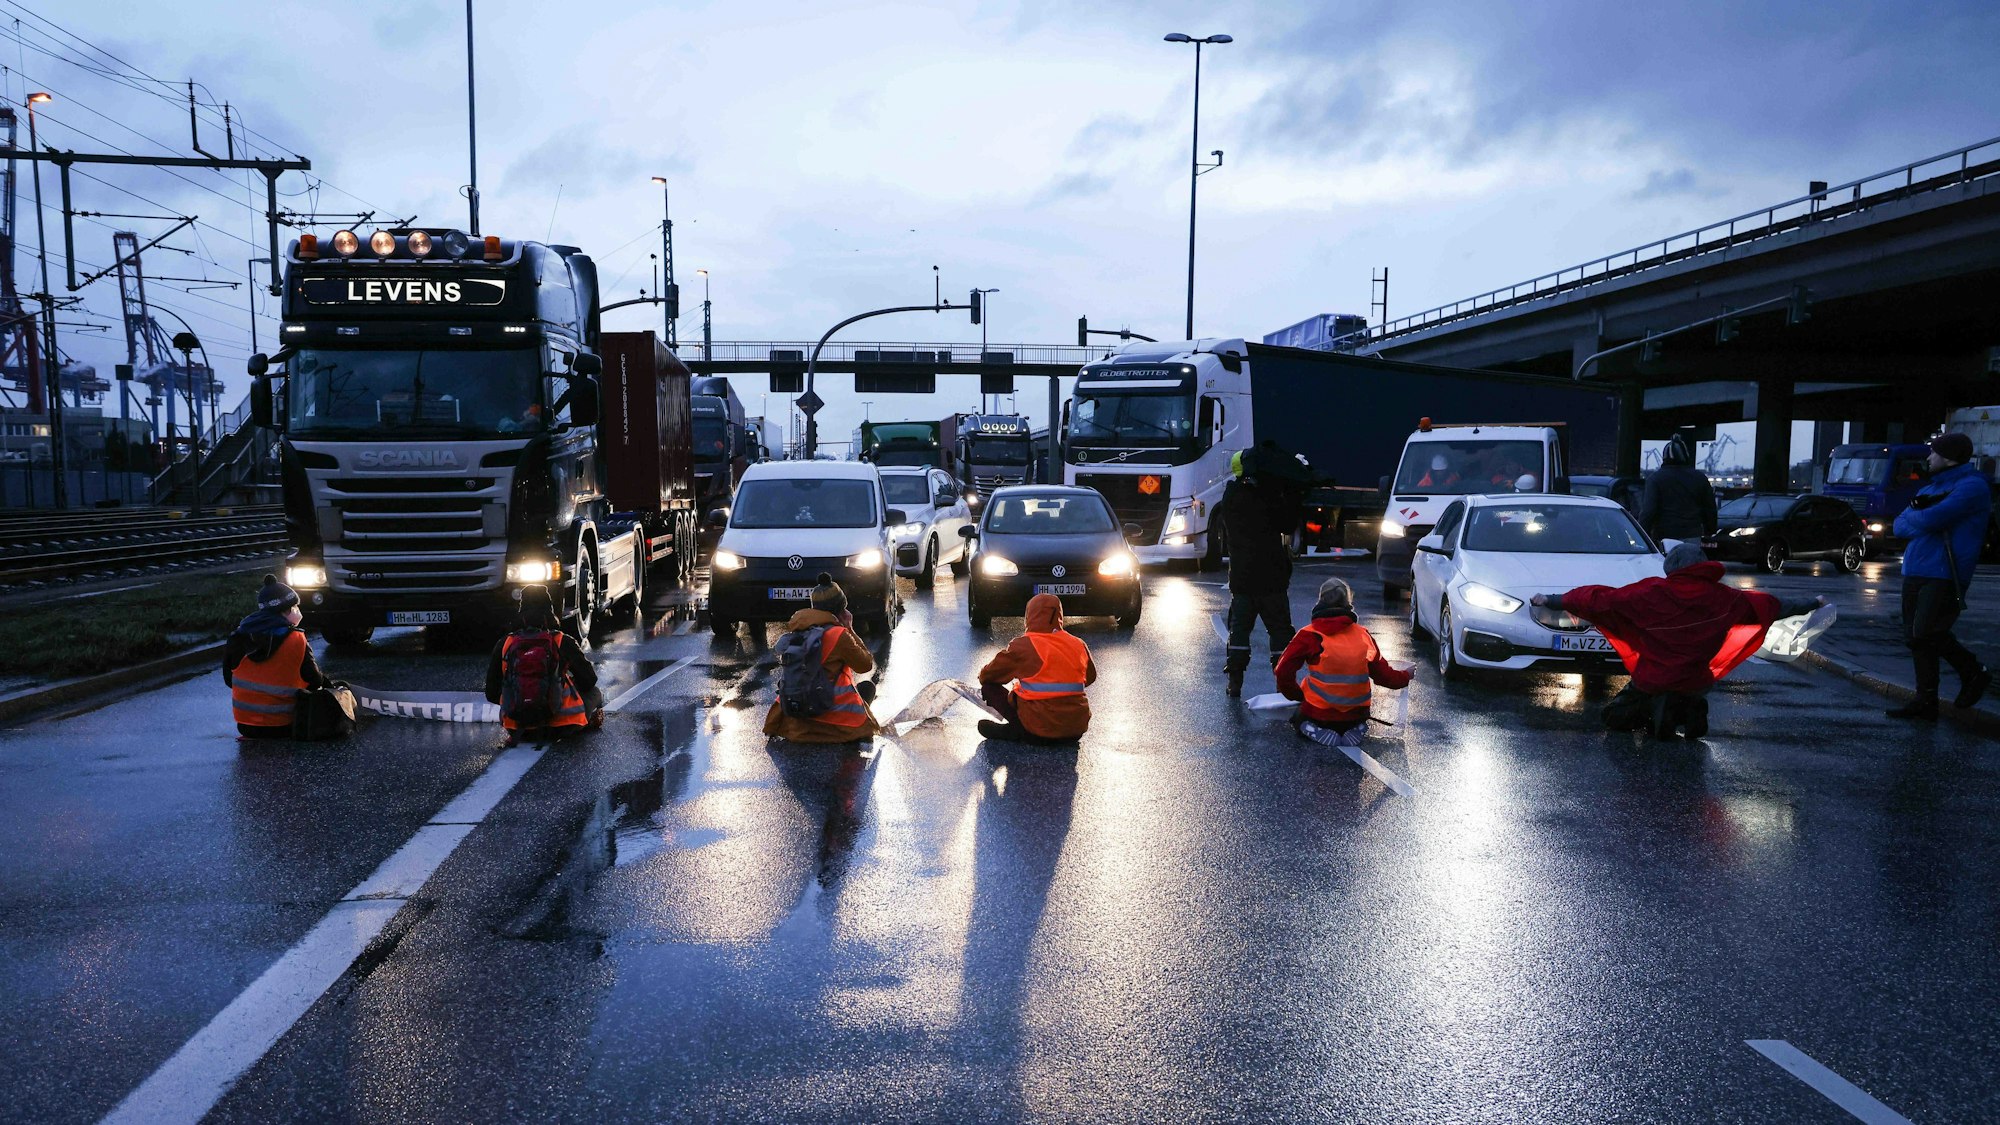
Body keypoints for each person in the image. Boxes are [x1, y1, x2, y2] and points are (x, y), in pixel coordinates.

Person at [1532, 542, 1821, 738]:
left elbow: (1600, 599)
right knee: (1686, 690)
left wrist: (1553, 600)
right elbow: (1773, 605)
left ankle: (1653, 713)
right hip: (1697, 679)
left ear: (1672, 567)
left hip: (1653, 678)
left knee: (1614, 718)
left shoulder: (1652, 592)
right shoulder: (1726, 599)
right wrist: (1813, 602)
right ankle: (1690, 708)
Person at [1886, 432, 1992, 719]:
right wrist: (1921, 520)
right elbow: (1898, 526)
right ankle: (1926, 700)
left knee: (1927, 631)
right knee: (1915, 636)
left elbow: (1932, 518)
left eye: (1933, 453)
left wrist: (1918, 519)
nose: (1928, 458)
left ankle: (1974, 672)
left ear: (1948, 457)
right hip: (1916, 568)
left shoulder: (1972, 487)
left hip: (1946, 571)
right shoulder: (1931, 487)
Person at [1273, 577, 1412, 746]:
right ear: (1348, 601)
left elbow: (1282, 670)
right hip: (1357, 712)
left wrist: (1297, 696)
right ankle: (1356, 728)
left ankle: (1313, 729)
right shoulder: (1363, 635)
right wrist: (1406, 676)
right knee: (1353, 716)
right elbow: (1384, 676)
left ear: (1320, 600)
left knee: (1298, 716)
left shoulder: (1309, 635)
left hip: (1320, 713)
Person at [1221, 446, 1303, 697]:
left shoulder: (1231, 497)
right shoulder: (1268, 496)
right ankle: (1284, 684)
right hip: (1271, 580)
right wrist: (1289, 492)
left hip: (1242, 580)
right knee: (1279, 631)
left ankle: (1235, 682)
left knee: (1239, 633)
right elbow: (1287, 524)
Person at [765, 574, 881, 743]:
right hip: (836, 726)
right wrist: (849, 628)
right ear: (841, 609)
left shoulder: (796, 631)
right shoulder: (838, 635)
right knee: (867, 688)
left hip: (796, 724)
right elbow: (865, 665)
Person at [976, 592, 1097, 744]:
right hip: (1075, 729)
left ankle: (1016, 730)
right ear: (1059, 615)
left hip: (1038, 730)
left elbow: (989, 676)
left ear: (1029, 616)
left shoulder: (1023, 645)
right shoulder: (1078, 644)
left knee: (989, 687)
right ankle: (1022, 730)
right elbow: (1090, 678)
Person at [486, 586, 601, 742]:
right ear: (550, 611)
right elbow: (589, 680)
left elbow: (491, 693)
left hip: (518, 729)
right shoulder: (561, 640)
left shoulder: (505, 643)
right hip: (561, 727)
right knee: (595, 693)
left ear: (521, 611)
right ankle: (587, 721)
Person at [223, 574, 328, 739]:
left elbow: (229, 680)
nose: (297, 611)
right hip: (284, 725)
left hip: (245, 726)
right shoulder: (296, 639)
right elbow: (315, 681)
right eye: (293, 608)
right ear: (283, 611)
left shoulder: (237, 637)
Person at [1638, 432, 1718, 544]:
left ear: (1664, 457)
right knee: (1690, 561)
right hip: (1692, 534)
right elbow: (1710, 509)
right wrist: (1710, 531)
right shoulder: (1700, 478)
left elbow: (1648, 511)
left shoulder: (1655, 479)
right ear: (1686, 456)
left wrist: (1642, 536)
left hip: (1664, 535)